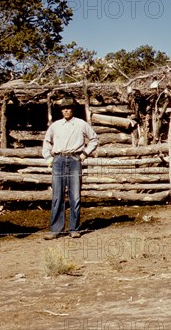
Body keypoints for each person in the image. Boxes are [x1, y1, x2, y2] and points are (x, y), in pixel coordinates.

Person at [42, 97, 98, 239]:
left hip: (74, 159)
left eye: (69, 108)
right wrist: (49, 158)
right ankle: (56, 229)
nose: (66, 110)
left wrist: (84, 154)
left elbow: (94, 139)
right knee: (57, 196)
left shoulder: (81, 124)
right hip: (58, 160)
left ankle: (74, 228)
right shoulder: (55, 126)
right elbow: (47, 142)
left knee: (75, 195)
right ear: (61, 110)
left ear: (73, 109)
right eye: (64, 108)